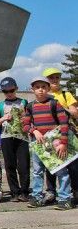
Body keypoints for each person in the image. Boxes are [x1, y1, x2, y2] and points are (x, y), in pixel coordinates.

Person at [23, 77, 74, 210]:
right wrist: (34, 131)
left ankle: (65, 198)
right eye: (37, 87)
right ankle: (37, 197)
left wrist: (63, 143)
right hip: (39, 144)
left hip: (56, 144)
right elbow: (25, 125)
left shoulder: (55, 103)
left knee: (61, 171)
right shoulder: (30, 106)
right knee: (37, 171)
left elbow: (64, 123)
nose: (41, 90)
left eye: (44, 87)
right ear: (32, 89)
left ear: (48, 88)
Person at [43, 67, 78, 204]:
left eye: (57, 77)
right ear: (47, 81)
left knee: (73, 164)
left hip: (67, 132)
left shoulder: (66, 94)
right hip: (50, 134)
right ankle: (51, 191)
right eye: (51, 78)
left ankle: (75, 191)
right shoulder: (44, 96)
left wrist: (61, 108)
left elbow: (75, 113)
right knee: (51, 164)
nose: (55, 80)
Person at [0, 77, 29, 202]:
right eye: (5, 91)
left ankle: (24, 192)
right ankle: (15, 192)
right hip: (6, 137)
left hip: (22, 137)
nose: (9, 93)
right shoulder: (0, 105)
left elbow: (29, 118)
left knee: (23, 165)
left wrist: (24, 119)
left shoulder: (24, 102)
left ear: (16, 88)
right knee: (9, 165)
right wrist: (4, 118)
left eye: (11, 90)